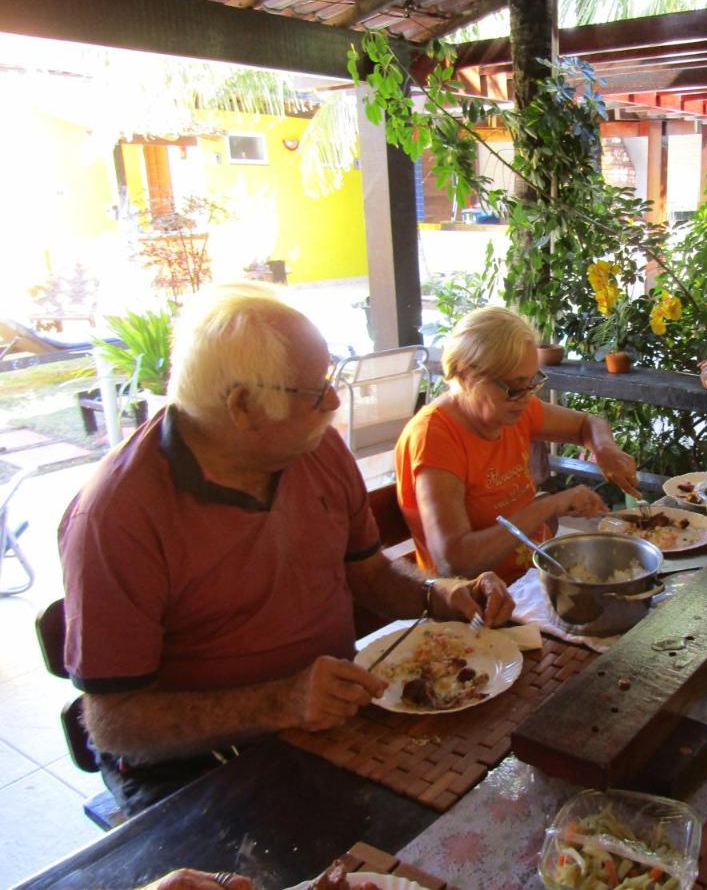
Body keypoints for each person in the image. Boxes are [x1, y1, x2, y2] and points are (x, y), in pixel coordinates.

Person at [60, 285, 514, 815]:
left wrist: (443, 595)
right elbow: (115, 724)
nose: (334, 401)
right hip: (199, 769)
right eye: (315, 390)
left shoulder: (315, 448)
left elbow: (368, 575)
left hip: (335, 719)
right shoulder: (118, 516)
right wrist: (284, 702)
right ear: (243, 407)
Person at [397, 306, 640, 583]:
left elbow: (588, 424)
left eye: (531, 382)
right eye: (513, 387)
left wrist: (605, 448)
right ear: (466, 376)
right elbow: (453, 561)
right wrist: (549, 506)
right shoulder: (435, 437)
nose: (525, 398)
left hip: (534, 577)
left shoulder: (515, 408)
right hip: (478, 603)